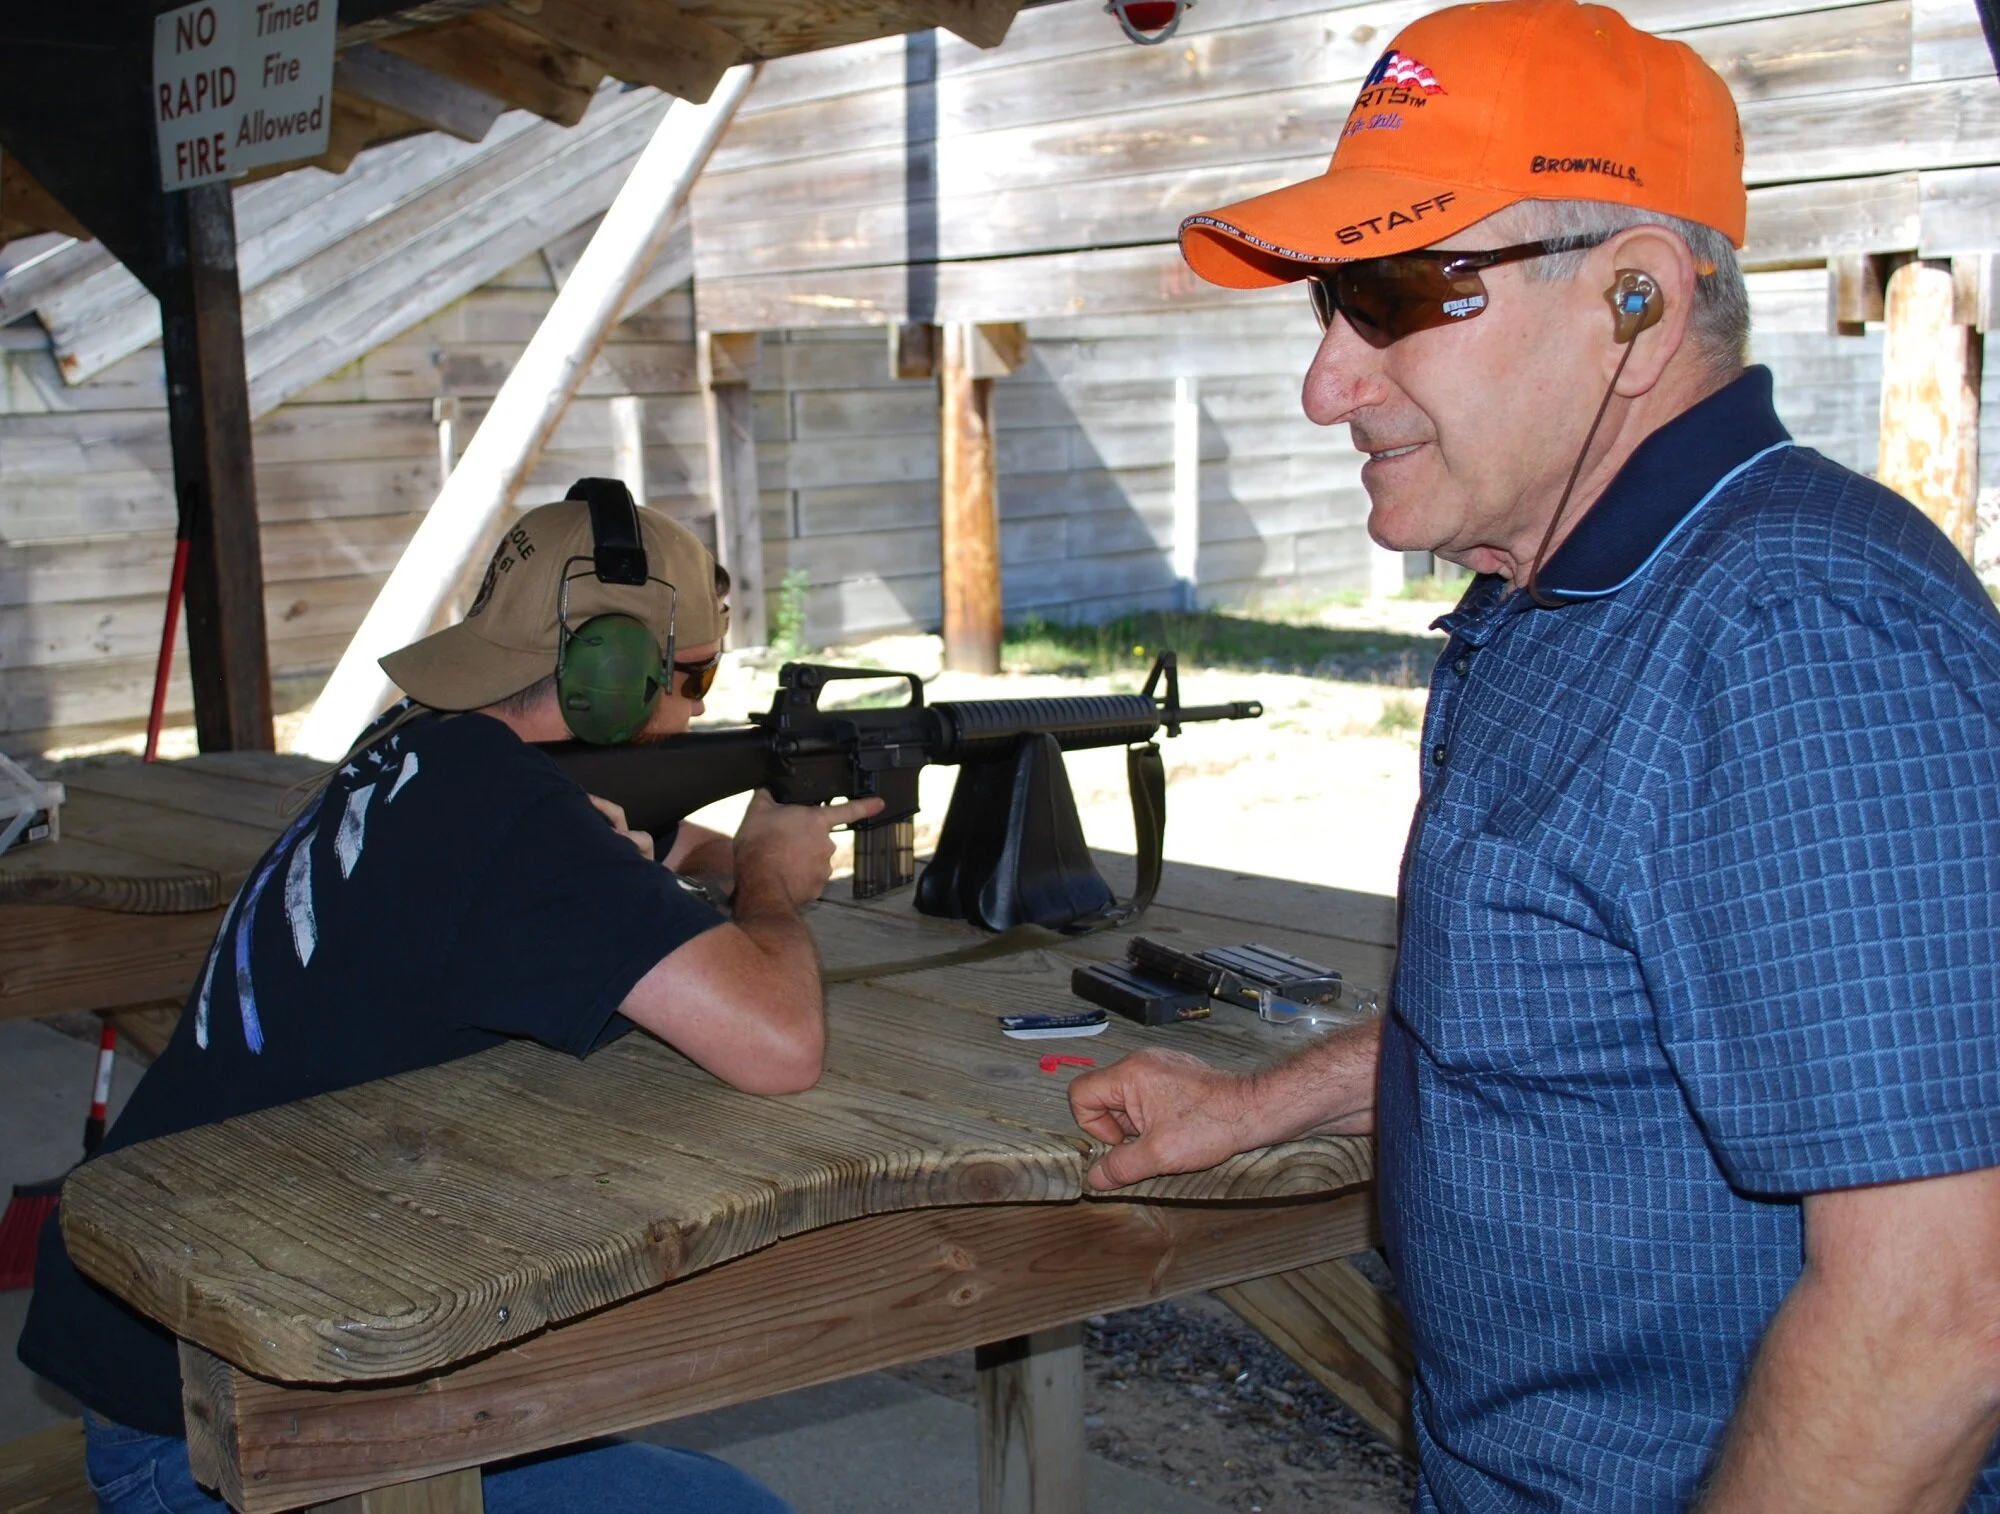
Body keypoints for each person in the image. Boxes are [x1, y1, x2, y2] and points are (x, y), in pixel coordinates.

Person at [1068, 3, 2000, 1510]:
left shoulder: (1794, 634)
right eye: (1324, 306)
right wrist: (1264, 1102)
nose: (1326, 385)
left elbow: (1939, 1315)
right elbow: (1597, 1017)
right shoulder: (1556, 588)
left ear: (1635, 299)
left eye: (1389, 294)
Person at [19, 481, 880, 1514]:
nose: (691, 710)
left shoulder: (416, 746)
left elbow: (586, 847)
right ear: (613, 669)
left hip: (162, 1341)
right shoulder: (514, 821)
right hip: (222, 1432)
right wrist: (770, 884)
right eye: (689, 677)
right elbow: (777, 1042)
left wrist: (704, 852)